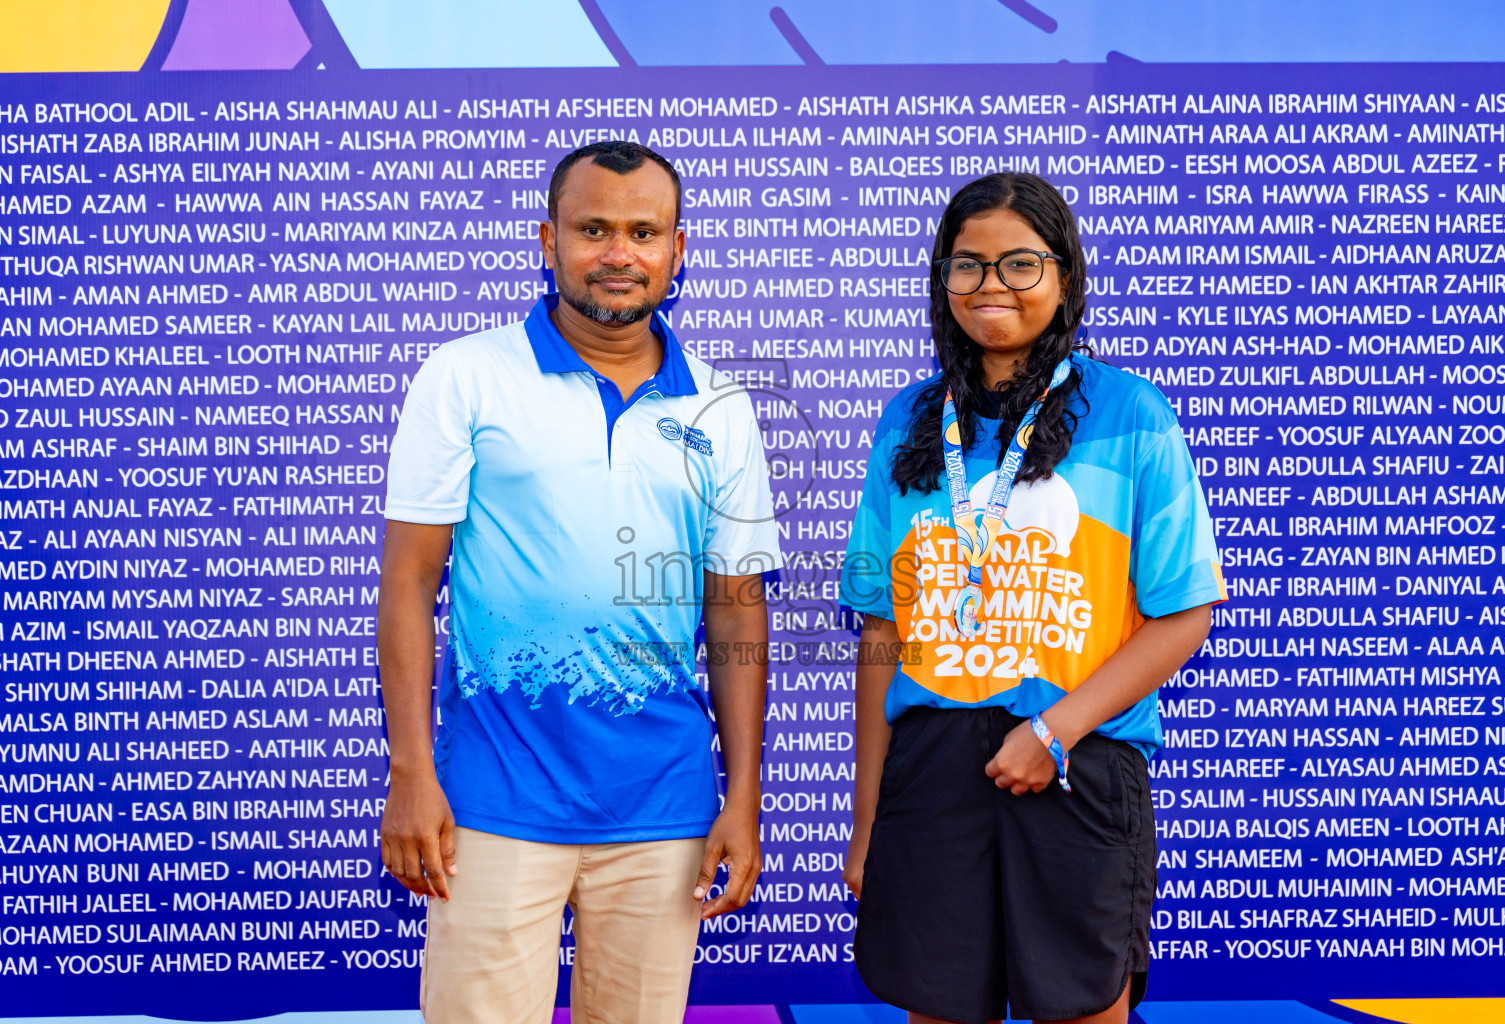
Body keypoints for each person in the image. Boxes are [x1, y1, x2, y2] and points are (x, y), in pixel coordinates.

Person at [377, 140, 780, 1024]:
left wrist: (743, 795)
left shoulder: (721, 404)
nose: (618, 252)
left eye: (644, 231)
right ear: (548, 240)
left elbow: (736, 607)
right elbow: (408, 585)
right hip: (491, 796)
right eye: (593, 228)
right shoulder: (466, 375)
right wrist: (411, 769)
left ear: (678, 250)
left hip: (664, 802)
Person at [839, 172, 1225, 1024]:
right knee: (935, 1008)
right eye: (967, 265)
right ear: (942, 280)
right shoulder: (908, 418)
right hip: (932, 769)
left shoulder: (1130, 412)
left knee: (1085, 1010)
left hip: (1074, 761)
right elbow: (880, 631)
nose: (991, 287)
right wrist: (867, 818)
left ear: (1064, 276)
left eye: (1020, 264)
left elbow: (1184, 615)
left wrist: (1054, 731)